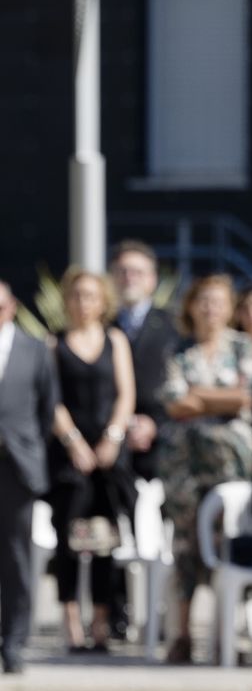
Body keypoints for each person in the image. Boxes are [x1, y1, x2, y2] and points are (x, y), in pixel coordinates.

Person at [157, 275, 252, 664]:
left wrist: (198, 394)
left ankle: (227, 637)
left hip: (233, 465)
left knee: (230, 544)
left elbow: (247, 397)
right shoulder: (178, 349)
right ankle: (182, 634)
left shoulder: (242, 346)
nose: (210, 309)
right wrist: (221, 399)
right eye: (203, 301)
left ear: (229, 307)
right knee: (186, 547)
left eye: (218, 302)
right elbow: (174, 404)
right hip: (184, 466)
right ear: (191, 306)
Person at [47, 268, 137, 654]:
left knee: (103, 542)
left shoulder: (115, 340)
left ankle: (100, 624)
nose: (83, 303)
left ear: (103, 302)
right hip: (69, 458)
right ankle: (72, 626)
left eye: (90, 296)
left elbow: (125, 394)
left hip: (108, 457)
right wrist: (73, 442)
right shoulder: (54, 345)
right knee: (68, 541)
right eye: (77, 296)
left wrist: (113, 438)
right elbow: (51, 399)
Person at [0, 280, 59, 675]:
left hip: (16, 466)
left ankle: (14, 642)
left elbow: (47, 409)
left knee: (17, 558)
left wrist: (26, 448)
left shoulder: (34, 349)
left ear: (12, 306)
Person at [109, 240, 180, 482]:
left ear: (152, 279)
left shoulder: (175, 326)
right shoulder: (98, 327)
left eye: (138, 272)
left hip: (165, 445)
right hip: (109, 444)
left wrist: (154, 424)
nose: (130, 278)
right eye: (122, 272)